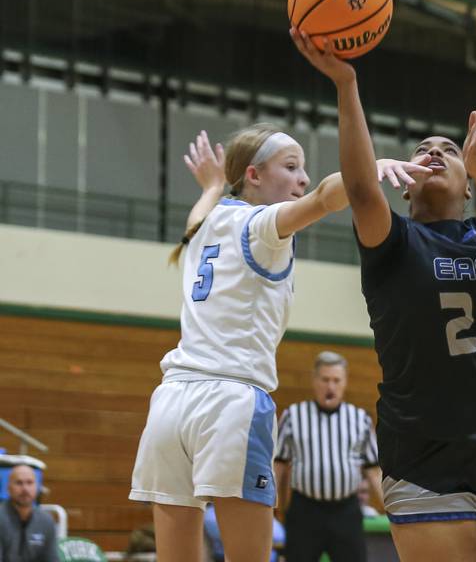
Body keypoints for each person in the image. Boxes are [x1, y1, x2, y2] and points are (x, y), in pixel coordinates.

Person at [291, 28, 476, 562]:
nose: (434, 153)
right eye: (422, 151)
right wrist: (347, 83)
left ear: (468, 186)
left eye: (448, 150)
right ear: (405, 182)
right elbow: (358, 189)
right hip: (424, 459)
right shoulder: (394, 243)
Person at [129, 126, 429, 562]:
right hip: (228, 403)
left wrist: (212, 185)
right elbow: (326, 197)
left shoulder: (206, 225)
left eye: (303, 168)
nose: (302, 178)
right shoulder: (260, 225)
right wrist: (366, 173)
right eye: (291, 167)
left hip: (170, 403)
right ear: (253, 175)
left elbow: (195, 216)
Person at [273, 351, 382, 562]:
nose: (330, 386)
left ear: (344, 383)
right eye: (325, 379)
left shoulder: (360, 419)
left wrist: (392, 510)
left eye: (336, 380)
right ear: (315, 381)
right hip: (305, 511)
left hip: (346, 512)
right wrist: (270, 510)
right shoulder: (294, 416)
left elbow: (373, 470)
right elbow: (279, 467)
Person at [0, 465, 59, 562]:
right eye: (19, 483)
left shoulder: (46, 521)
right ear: (8, 488)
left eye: (29, 482)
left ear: (37, 487)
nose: (25, 488)